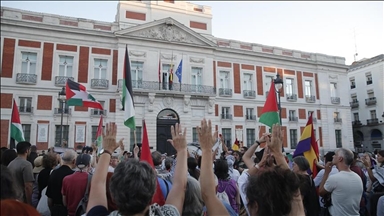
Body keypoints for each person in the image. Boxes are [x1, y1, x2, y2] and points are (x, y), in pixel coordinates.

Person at [86, 122, 186, 215]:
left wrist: (107, 151)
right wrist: (182, 150)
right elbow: (180, 186)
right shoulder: (167, 214)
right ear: (152, 195)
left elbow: (98, 183)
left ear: (113, 197)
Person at [319, 148, 364, 216]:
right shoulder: (357, 177)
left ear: (340, 159)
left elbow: (321, 192)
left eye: (335, 155)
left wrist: (326, 173)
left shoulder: (335, 178)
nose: (333, 156)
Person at [46, 149, 76, 216]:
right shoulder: (73, 175)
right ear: (74, 161)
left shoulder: (54, 173)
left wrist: (52, 209)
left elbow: (49, 197)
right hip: (68, 210)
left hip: (55, 208)